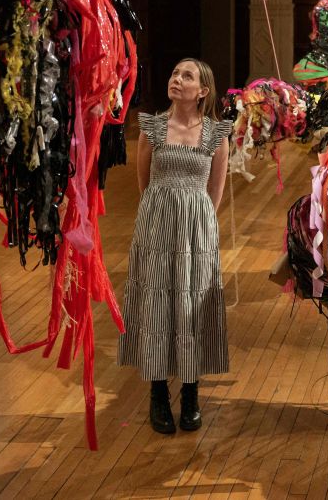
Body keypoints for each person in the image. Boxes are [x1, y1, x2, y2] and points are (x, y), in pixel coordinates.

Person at [118, 58, 231, 434]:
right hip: (156, 227)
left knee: (191, 306)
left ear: (202, 91)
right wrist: (162, 215)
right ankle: (157, 394)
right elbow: (144, 183)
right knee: (157, 305)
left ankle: (191, 392)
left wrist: (197, 226)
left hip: (196, 232)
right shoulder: (152, 128)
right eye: (174, 73)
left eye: (187, 76)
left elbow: (215, 192)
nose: (176, 79)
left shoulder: (215, 134)